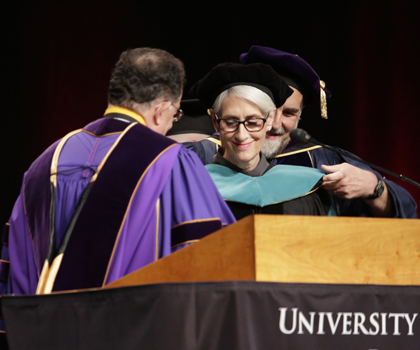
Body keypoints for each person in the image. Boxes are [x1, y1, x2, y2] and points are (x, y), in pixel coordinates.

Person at [0, 47, 236, 305]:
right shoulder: (170, 161)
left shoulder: (42, 165)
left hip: (42, 335)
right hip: (132, 330)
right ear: (161, 109)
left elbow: (14, 273)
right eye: (175, 114)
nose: (171, 125)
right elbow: (211, 257)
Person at [184, 46, 417, 218]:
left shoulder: (323, 161)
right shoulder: (199, 155)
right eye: (267, 113)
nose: (275, 124)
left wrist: (374, 188)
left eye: (288, 113)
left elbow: (402, 220)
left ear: (301, 115)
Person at [193, 62, 336, 220]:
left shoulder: (307, 187)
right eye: (231, 122)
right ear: (215, 121)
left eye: (253, 122)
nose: (242, 135)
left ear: (269, 121)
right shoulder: (194, 187)